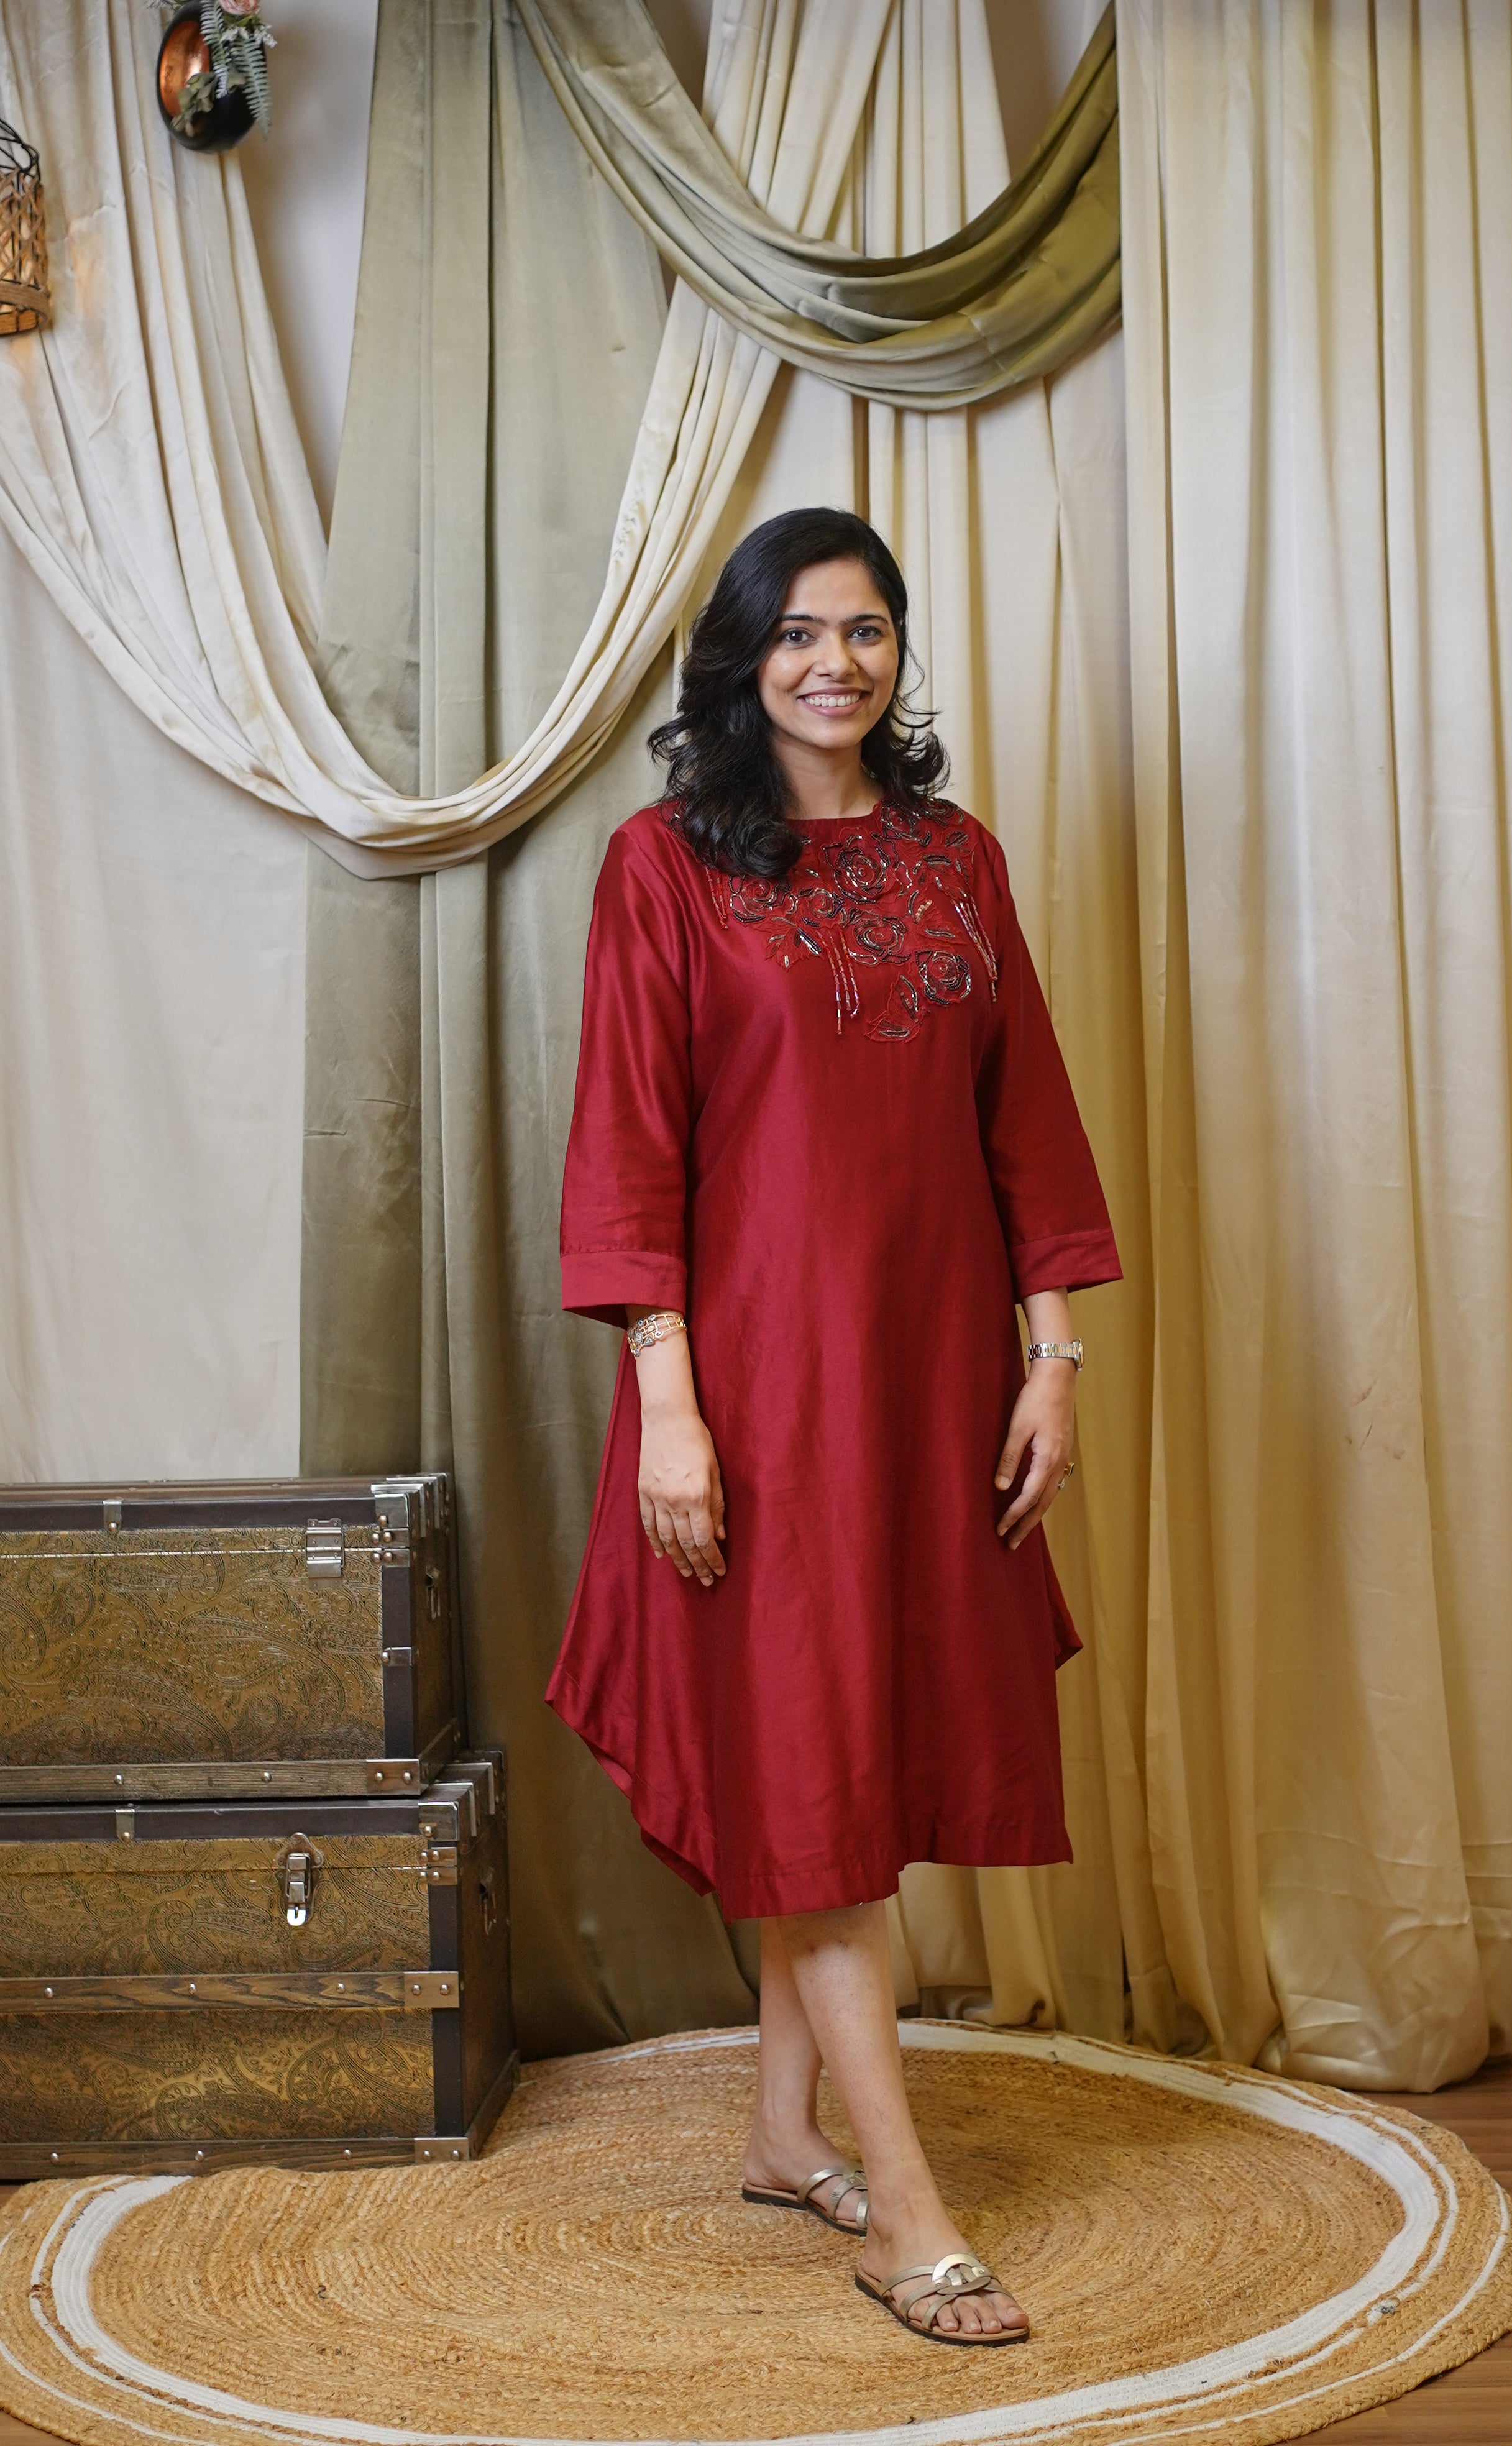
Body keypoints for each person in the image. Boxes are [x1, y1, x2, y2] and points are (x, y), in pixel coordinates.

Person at [549, 506, 1119, 2346]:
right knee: (808, 1786)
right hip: (759, 1397)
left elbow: (1026, 1119)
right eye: (798, 632)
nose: (836, 663)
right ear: (743, 657)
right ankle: (910, 2216)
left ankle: (788, 2134)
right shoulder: (664, 868)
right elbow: (631, 1146)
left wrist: (1052, 1359)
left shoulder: (960, 864)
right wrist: (671, 1411)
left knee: (847, 1763)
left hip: (932, 1381)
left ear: (895, 651)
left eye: (866, 629)